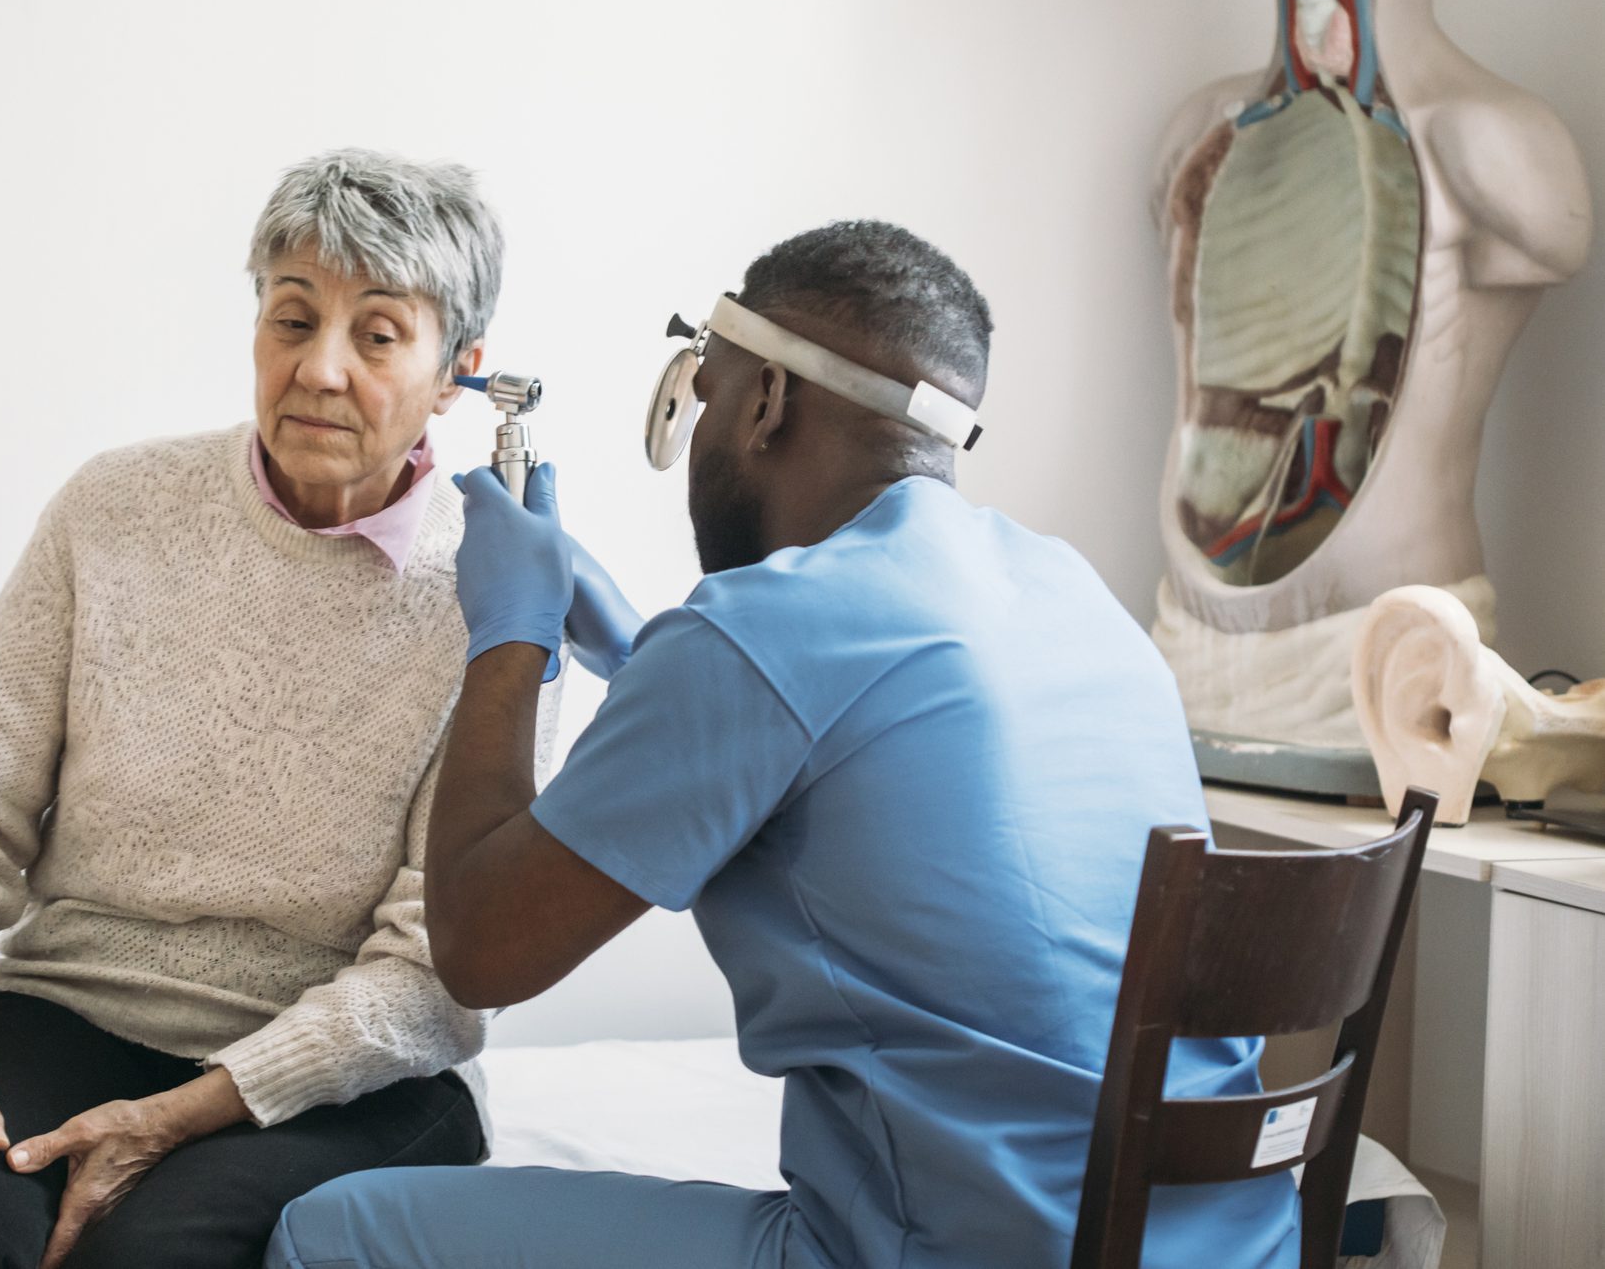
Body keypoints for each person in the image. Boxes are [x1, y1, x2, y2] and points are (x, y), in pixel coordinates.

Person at [266, 221, 1302, 1268]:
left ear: (766, 401)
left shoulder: (756, 638)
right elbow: (836, 754)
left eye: (703, 393)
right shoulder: (1070, 596)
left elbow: (480, 949)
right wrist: (640, 651)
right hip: (1224, 1242)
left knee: (328, 1234)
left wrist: (509, 635)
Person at [0, 149, 555, 1269]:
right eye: (291, 317)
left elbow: (434, 970)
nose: (318, 370)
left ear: (458, 367)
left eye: (376, 334)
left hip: (346, 1075)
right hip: (72, 1011)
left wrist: (186, 1112)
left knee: (152, 1258)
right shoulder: (115, 508)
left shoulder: (498, 596)